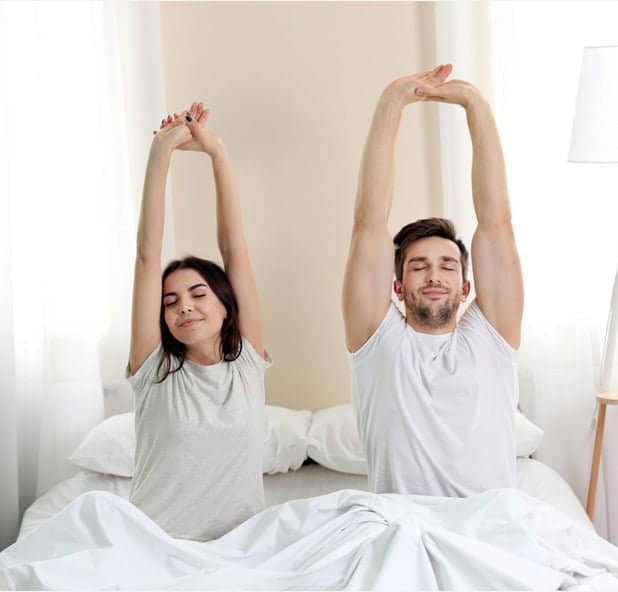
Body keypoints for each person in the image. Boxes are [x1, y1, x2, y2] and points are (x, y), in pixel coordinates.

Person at [342, 64, 524, 497]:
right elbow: (368, 223)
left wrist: (474, 105)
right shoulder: (378, 340)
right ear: (397, 287)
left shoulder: (491, 337)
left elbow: (496, 221)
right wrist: (393, 100)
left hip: (488, 529)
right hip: (405, 530)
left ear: (466, 287)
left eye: (447, 265)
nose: (434, 274)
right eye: (418, 265)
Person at [126, 102, 271, 541]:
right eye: (170, 301)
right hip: (156, 547)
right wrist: (161, 152)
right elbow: (148, 255)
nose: (184, 307)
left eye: (198, 294)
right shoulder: (154, 370)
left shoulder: (247, 363)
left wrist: (217, 152)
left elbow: (235, 250)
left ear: (227, 305)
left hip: (239, 549)